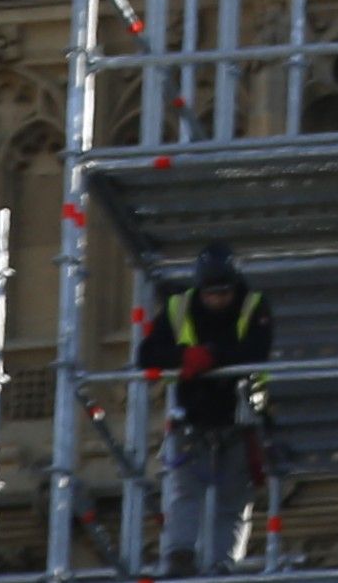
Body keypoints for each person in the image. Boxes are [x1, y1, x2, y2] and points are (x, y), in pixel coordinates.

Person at [134, 241, 275, 576]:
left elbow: (256, 351)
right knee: (185, 493)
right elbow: (147, 356)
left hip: (238, 416)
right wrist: (183, 358)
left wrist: (212, 355)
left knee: (233, 500)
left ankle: (221, 563)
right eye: (211, 294)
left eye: (224, 293)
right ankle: (179, 555)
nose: (218, 300)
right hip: (192, 415)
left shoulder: (253, 305)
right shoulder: (178, 307)